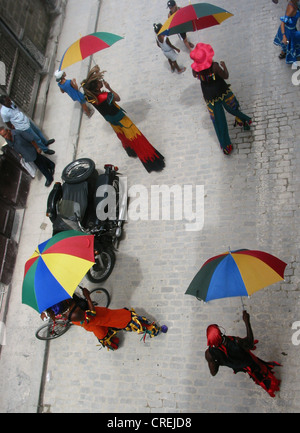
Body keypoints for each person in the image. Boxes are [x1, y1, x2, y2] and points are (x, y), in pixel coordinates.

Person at [81, 65, 165, 173]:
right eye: (98, 82)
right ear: (97, 87)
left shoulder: (90, 97)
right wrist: (109, 88)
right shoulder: (105, 96)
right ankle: (151, 161)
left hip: (111, 121)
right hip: (121, 119)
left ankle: (131, 151)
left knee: (123, 136)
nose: (100, 82)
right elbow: (118, 98)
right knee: (137, 138)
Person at [190, 43, 252, 155]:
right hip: (222, 90)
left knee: (219, 122)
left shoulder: (195, 70)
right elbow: (226, 76)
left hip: (210, 97)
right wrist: (224, 66)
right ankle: (244, 120)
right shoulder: (215, 67)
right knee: (233, 107)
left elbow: (196, 76)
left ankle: (226, 145)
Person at [205, 310, 281, 398]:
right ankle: (272, 387)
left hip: (237, 365)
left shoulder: (209, 354)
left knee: (255, 374)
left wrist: (217, 361)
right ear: (221, 334)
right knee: (261, 373)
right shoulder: (236, 342)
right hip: (248, 362)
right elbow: (250, 343)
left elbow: (213, 372)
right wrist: (247, 322)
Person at [63, 288, 168, 351]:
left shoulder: (66, 303)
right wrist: (88, 297)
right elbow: (92, 314)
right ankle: (154, 329)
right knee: (129, 319)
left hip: (97, 321)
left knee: (103, 332)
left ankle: (113, 341)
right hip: (101, 318)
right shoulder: (73, 314)